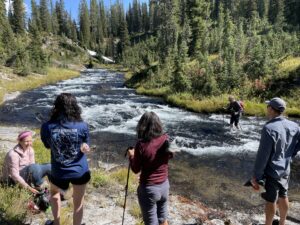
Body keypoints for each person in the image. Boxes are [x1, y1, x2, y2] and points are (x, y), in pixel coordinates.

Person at [41, 93, 91, 225]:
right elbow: (86, 145)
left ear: (56, 107)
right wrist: (85, 147)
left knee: (54, 194)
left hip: (59, 170)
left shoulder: (47, 127)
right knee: (78, 201)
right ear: (75, 107)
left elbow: (47, 146)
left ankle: (56, 223)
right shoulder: (83, 126)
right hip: (79, 170)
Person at [251, 97, 300, 225]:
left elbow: (263, 155)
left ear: (271, 109)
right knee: (283, 195)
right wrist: (289, 155)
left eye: (268, 107)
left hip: (272, 171)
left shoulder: (269, 128)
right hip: (286, 168)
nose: (267, 109)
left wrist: (257, 176)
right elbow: (298, 145)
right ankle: (282, 222)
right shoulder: (295, 125)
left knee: (271, 199)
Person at [127, 111, 173, 225]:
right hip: (164, 186)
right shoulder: (166, 139)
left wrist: (132, 156)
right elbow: (170, 155)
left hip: (149, 189)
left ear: (142, 126)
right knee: (163, 219)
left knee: (151, 222)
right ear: (158, 125)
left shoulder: (141, 145)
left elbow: (135, 169)